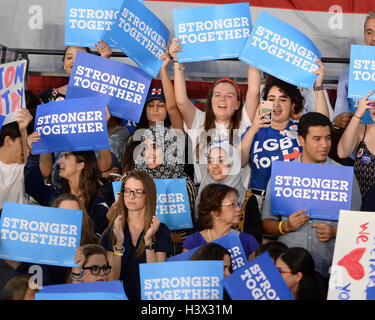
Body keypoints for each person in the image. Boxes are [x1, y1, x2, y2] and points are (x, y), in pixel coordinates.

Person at [261, 112, 362, 279]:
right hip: (288, 272)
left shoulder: (344, 176)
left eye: (328, 138)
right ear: (301, 140)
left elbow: (359, 226)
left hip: (330, 270)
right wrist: (285, 227)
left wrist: (335, 231)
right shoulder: (283, 174)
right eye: (317, 139)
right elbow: (266, 222)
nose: (324, 145)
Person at [239, 62, 329, 210]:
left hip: (293, 200)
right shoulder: (254, 130)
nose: (276, 105)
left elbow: (322, 127)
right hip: (257, 201)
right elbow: (240, 162)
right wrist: (254, 128)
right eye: (271, 99)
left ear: (293, 104)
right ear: (264, 102)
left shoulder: (301, 129)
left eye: (283, 99)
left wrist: (318, 86)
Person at [169, 38, 252, 185]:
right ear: (210, 100)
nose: (222, 99)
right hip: (205, 195)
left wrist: (253, 54)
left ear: (238, 104)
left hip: (236, 196)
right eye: (217, 95)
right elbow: (181, 101)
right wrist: (177, 62)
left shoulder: (244, 121)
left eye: (229, 96)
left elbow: (254, 93)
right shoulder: (199, 121)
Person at [101, 170, 173, 300]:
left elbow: (156, 279)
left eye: (138, 191)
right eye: (127, 191)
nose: (131, 196)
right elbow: (111, 280)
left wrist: (148, 241)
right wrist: (118, 245)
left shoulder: (161, 231)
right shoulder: (113, 230)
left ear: (148, 195)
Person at [24, 136, 114, 236]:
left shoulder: (101, 198)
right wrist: (33, 153)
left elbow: (103, 235)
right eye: (61, 156)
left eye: (66, 156)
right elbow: (32, 186)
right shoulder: (57, 195)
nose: (59, 161)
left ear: (81, 165)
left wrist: (108, 218)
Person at [133, 125, 196, 254]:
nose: (149, 153)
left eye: (155, 147)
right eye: (145, 148)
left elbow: (189, 228)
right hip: (139, 251)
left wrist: (173, 237)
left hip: (173, 255)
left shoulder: (184, 184)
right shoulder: (133, 181)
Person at [195, 142, 262, 243]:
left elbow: (254, 240)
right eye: (210, 161)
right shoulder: (203, 195)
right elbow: (197, 234)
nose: (215, 166)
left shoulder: (248, 198)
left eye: (221, 160)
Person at [183, 183, 259, 260]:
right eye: (232, 204)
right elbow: (185, 271)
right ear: (214, 211)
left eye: (238, 204)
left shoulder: (248, 241)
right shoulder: (193, 242)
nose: (238, 209)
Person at [333, 11, 375, 131]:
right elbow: (337, 118)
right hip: (355, 140)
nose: (373, 38)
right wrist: (338, 121)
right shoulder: (348, 73)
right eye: (369, 32)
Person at [337, 90, 375, 198]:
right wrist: (358, 115)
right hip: (360, 211)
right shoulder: (361, 130)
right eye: (373, 102)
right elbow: (342, 153)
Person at [0, 108, 33, 209]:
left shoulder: (21, 169)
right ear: (8, 140)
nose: (25, 147)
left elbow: (32, 171)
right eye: (21, 142)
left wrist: (23, 131)